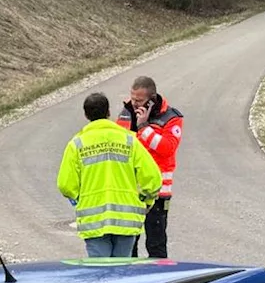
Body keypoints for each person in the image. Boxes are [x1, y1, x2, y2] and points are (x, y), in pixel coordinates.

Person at [57, 92, 163, 258]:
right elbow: (153, 178)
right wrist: (146, 200)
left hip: (94, 222)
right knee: (121, 273)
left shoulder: (77, 144)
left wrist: (80, 198)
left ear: (86, 115)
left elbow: (65, 184)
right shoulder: (130, 140)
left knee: (101, 275)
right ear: (108, 113)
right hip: (126, 219)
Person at [117, 76, 183, 258]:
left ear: (152, 99)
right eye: (133, 98)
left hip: (158, 192)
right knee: (129, 244)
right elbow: (120, 145)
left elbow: (167, 149)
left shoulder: (171, 118)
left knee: (156, 244)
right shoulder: (126, 113)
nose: (134, 103)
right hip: (131, 191)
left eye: (139, 100)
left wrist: (144, 127)